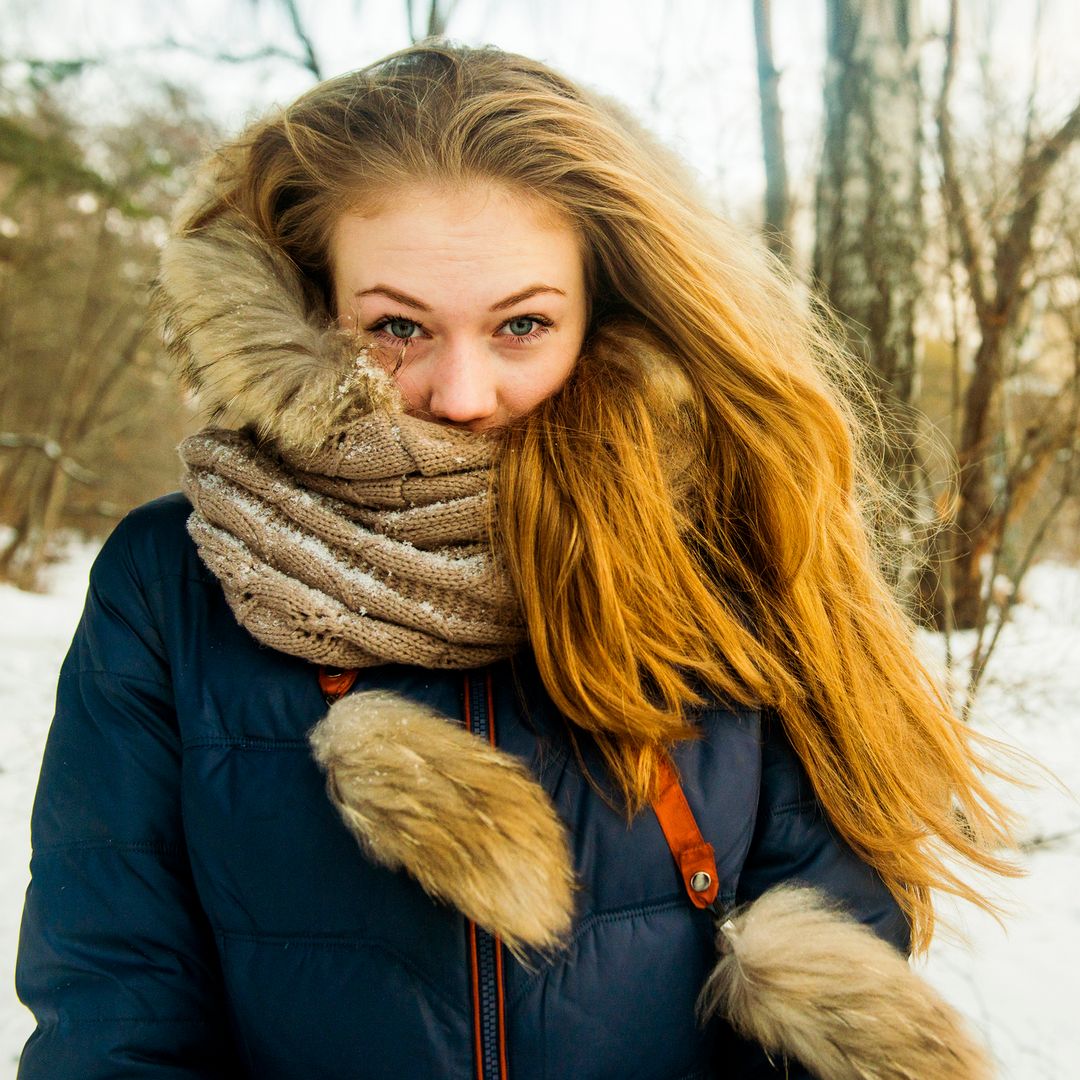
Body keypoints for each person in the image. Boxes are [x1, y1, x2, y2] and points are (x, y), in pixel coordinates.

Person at [16, 42, 1014, 1079]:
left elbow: (837, 973)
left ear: (603, 312)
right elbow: (112, 999)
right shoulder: (172, 580)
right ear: (307, 306)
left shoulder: (727, 550)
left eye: (522, 325)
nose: (461, 392)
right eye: (398, 326)